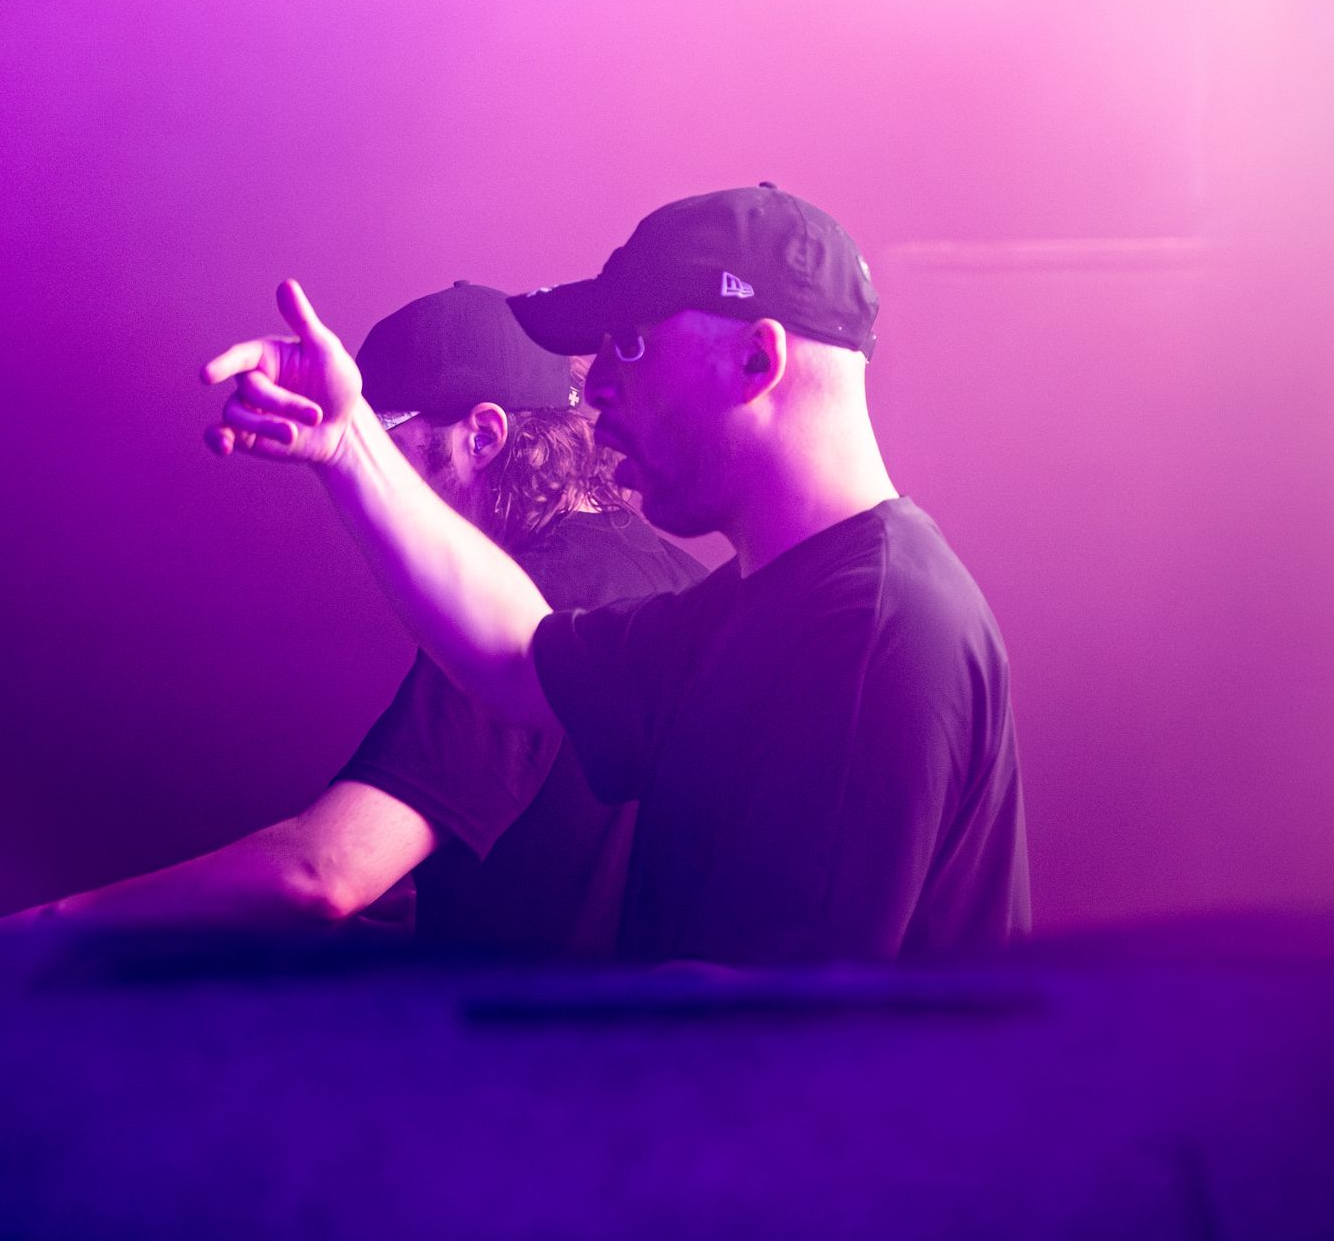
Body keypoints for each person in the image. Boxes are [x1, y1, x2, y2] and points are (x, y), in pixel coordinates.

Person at [207, 185, 1028, 966]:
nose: (594, 389)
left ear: (756, 358)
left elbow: (763, 1045)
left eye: (630, 345)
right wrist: (351, 446)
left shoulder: (872, 622)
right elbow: (518, 661)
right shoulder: (753, 605)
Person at [25, 280, 703, 951]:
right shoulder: (683, 584)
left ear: (484, 437)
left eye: (385, 440)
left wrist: (48, 925)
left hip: (513, 1054)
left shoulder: (522, 613)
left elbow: (325, 872)